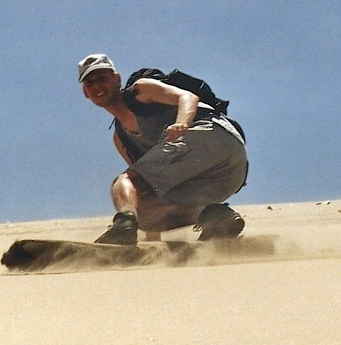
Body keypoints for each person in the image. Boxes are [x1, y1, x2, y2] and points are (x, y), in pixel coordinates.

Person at [78, 53, 248, 245]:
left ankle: (123, 223)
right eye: (90, 83)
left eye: (102, 79)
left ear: (116, 79)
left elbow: (187, 96)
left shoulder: (140, 90)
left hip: (210, 133)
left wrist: (181, 123)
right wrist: (151, 247)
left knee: (123, 181)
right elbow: (144, 192)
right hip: (225, 175)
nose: (97, 86)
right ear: (85, 92)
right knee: (146, 215)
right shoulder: (121, 138)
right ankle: (214, 217)